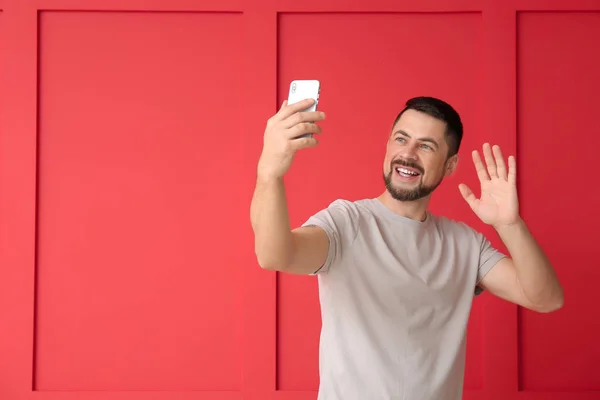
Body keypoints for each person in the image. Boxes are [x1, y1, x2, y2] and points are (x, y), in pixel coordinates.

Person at [250, 95, 563, 400]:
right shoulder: (347, 223)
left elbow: (545, 299)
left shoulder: (465, 244)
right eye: (401, 139)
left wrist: (510, 226)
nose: (408, 153)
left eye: (426, 146)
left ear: (450, 164)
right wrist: (269, 174)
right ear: (388, 145)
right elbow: (275, 255)